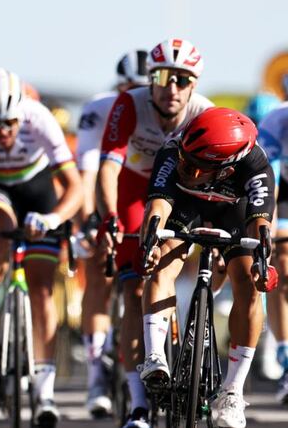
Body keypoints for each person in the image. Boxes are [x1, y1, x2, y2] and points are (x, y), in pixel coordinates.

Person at [0, 68, 82, 427]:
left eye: (9, 122)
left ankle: (45, 391)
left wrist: (53, 219)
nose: (2, 131)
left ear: (20, 114)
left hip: (36, 189)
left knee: (41, 290)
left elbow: (74, 187)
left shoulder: (39, 118)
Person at [97, 38, 213, 428]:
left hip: (181, 193)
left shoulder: (204, 113)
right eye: (163, 78)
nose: (172, 88)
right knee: (134, 287)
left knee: (177, 266)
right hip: (135, 188)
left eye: (182, 80)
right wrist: (109, 218)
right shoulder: (129, 103)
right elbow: (108, 169)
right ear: (151, 80)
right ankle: (138, 404)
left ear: (194, 84)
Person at [139, 107, 278, 428]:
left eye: (193, 166)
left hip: (233, 210)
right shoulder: (173, 152)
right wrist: (150, 244)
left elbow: (260, 225)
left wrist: (262, 262)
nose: (183, 166)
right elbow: (157, 208)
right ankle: (155, 356)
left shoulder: (255, 165)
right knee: (164, 263)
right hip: (185, 205)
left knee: (247, 285)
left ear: (227, 170)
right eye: (183, 159)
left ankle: (232, 391)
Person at [76, 49, 149, 418]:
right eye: (128, 87)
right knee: (98, 272)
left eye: (143, 87)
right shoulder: (100, 109)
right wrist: (91, 221)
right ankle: (96, 374)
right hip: (108, 192)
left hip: (148, 193)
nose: (135, 95)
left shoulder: (161, 110)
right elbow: (87, 172)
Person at [256, 96, 288, 404]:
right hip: (282, 196)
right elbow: (269, 189)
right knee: (282, 257)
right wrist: (268, 237)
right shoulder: (276, 122)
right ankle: (285, 355)